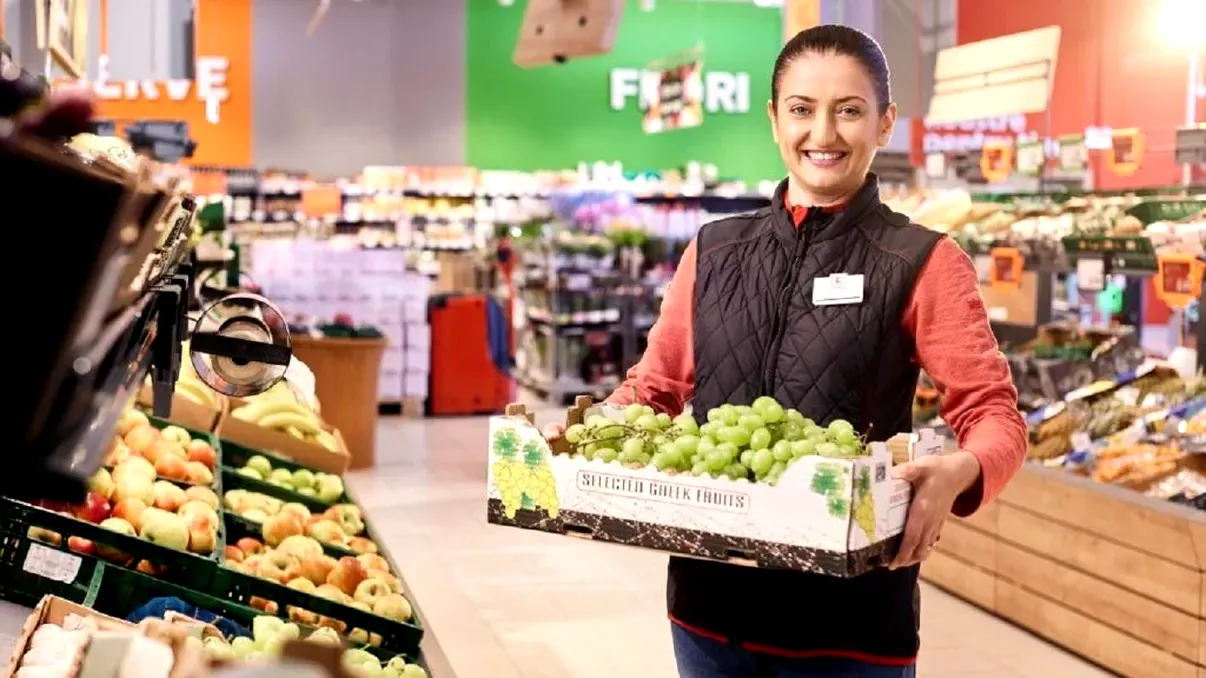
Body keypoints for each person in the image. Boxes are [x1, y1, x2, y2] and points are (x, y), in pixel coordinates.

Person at [547, 25, 1027, 678]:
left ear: (884, 123)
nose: (823, 134)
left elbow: (995, 413)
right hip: (708, 613)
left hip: (851, 627)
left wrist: (960, 472)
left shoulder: (924, 261)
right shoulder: (713, 251)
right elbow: (654, 386)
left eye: (849, 110)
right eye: (802, 109)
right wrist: (588, 434)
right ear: (775, 120)